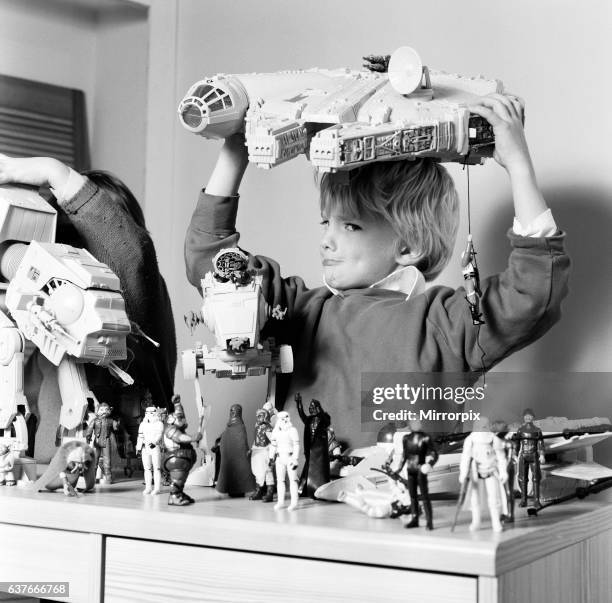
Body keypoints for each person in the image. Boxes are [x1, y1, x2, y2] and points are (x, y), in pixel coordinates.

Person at [184, 94, 570, 448]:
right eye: (326, 223)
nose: (326, 241)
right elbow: (212, 264)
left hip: (397, 512)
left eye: (350, 226)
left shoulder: (444, 324)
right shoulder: (298, 311)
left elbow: (533, 294)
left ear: (408, 247)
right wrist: (236, 150)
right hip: (300, 514)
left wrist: (518, 165)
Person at [0, 154, 177, 462]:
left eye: (86, 243)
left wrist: (54, 173)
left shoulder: (135, 294)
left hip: (122, 481)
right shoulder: (54, 308)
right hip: (49, 479)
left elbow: (129, 255)